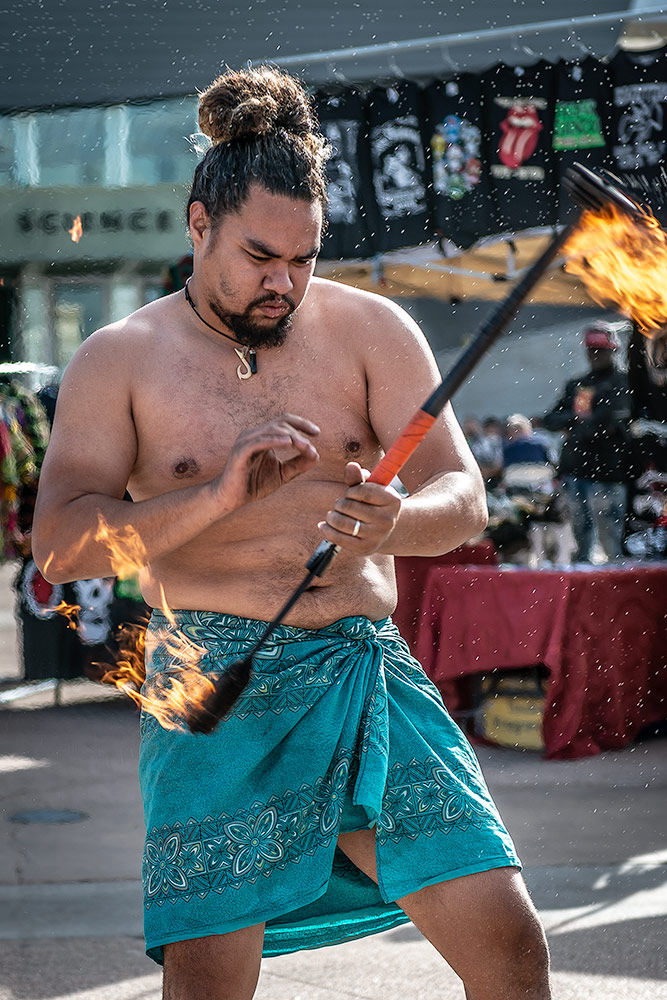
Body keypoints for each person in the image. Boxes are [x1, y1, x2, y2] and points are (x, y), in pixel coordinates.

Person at [32, 67, 551, 1000]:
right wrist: (217, 496)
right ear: (198, 225)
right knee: (209, 982)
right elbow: (62, 548)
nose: (285, 283)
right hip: (207, 667)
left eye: (306, 259)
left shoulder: (373, 331)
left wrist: (401, 518)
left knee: (508, 945)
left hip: (361, 658)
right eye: (260, 257)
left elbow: (463, 498)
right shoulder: (119, 360)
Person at [543, 321, 631, 562]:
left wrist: (576, 423)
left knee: (612, 544)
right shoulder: (578, 385)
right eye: (591, 350)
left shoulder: (622, 382)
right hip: (577, 473)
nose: (594, 355)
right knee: (582, 546)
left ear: (613, 349)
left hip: (608, 475)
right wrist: (578, 419)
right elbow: (551, 419)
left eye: (600, 350)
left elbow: (607, 422)